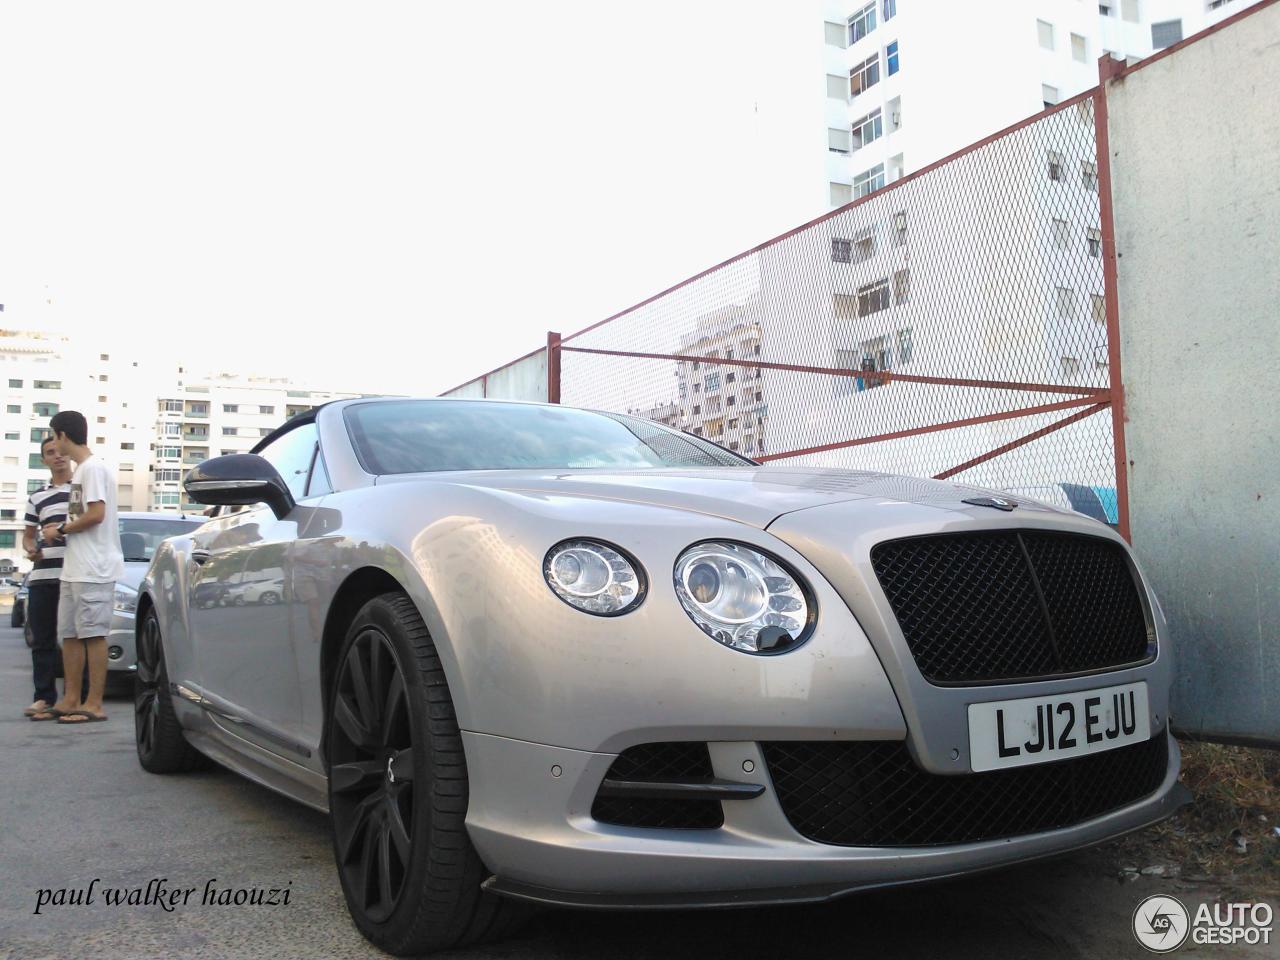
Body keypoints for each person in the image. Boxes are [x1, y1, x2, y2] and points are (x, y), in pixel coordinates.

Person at [31, 411, 124, 725]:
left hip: (94, 566)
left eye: (55, 438)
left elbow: (96, 514)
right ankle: (70, 699)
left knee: (94, 635)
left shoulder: (93, 468)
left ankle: (93, 704)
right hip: (74, 567)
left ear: (63, 435)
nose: (56, 446)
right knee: (69, 635)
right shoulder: (83, 471)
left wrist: (61, 530)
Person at [21, 436, 72, 717]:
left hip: (74, 574)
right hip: (42, 577)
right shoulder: (37, 496)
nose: (57, 456)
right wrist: (31, 550)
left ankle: (76, 697)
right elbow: (28, 537)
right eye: (50, 453)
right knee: (43, 640)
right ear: (44, 460)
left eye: (60, 451)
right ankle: (43, 697)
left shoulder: (82, 490)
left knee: (76, 638)